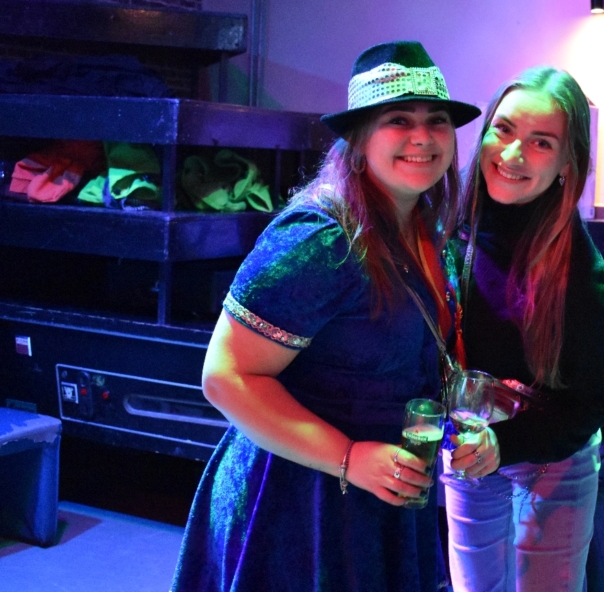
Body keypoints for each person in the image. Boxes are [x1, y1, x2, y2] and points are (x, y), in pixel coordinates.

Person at [170, 40, 480, 592]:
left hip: (386, 491)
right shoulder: (321, 238)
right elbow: (225, 376)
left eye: (437, 120)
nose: (423, 137)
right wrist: (348, 457)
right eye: (398, 120)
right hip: (298, 504)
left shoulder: (428, 230)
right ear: (357, 141)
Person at [441, 66, 604, 592]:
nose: (513, 153)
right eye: (504, 129)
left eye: (541, 142)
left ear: (567, 164)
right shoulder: (447, 229)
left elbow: (590, 405)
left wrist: (505, 443)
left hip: (553, 458)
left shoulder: (581, 271)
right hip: (469, 446)